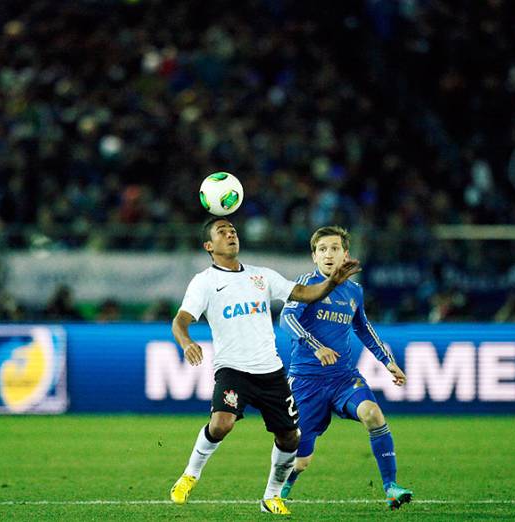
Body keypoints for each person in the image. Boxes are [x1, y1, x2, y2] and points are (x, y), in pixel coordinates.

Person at [169, 217, 361, 515]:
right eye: (222, 232)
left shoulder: (262, 276)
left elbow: (305, 294)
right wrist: (186, 343)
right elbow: (180, 321)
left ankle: (271, 497)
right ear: (209, 246)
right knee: (222, 423)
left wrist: (333, 282)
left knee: (290, 437)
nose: (231, 234)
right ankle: (189, 476)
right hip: (233, 369)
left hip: (270, 371)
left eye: (233, 230)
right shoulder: (204, 282)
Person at [277, 225, 413, 510]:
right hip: (306, 382)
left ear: (345, 255)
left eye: (335, 249)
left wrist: (388, 362)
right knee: (301, 460)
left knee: (373, 415)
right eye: (322, 250)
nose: (329, 255)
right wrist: (316, 346)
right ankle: (279, 492)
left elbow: (364, 328)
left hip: (342, 378)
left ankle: (391, 487)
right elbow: (286, 319)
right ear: (314, 256)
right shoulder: (305, 285)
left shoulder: (354, 291)